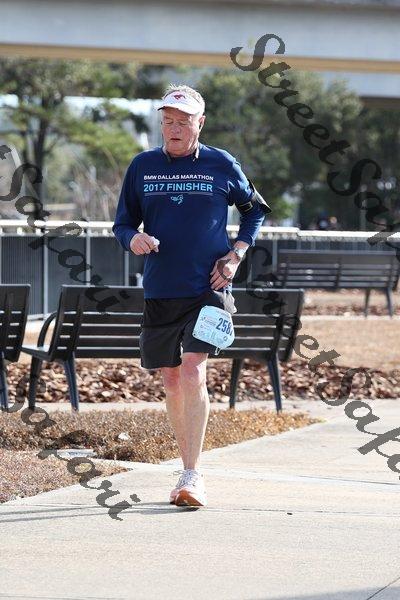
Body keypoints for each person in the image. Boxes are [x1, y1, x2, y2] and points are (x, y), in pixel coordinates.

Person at [112, 84, 271, 507]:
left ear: (200, 123)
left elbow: (255, 209)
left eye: (183, 122)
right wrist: (133, 240)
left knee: (192, 370)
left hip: (209, 286)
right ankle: (185, 468)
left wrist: (236, 254)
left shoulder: (222, 163)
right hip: (161, 288)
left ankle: (191, 474)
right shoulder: (142, 166)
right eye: (168, 121)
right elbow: (122, 224)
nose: (174, 128)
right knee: (170, 378)